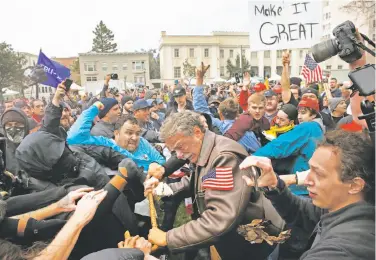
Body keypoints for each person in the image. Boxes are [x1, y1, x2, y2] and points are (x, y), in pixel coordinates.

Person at [147, 105, 284, 259]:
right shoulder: (209, 149)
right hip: (239, 238)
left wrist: (168, 238)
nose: (178, 156)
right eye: (174, 151)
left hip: (250, 244)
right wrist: (168, 189)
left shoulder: (224, 157)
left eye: (180, 147)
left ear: (197, 133)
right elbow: (204, 179)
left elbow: (220, 218)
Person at [241, 130, 375, 260]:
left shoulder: (342, 250)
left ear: (355, 185)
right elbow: (306, 214)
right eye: (309, 170)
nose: (306, 181)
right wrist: (274, 185)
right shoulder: (340, 207)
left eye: (319, 174)